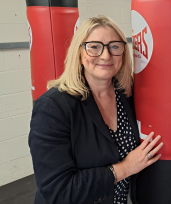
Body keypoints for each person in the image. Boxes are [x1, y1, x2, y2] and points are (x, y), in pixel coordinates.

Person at [29, 15, 163, 204]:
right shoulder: (53, 107)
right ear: (80, 53)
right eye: (94, 46)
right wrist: (125, 168)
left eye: (114, 46)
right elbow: (58, 190)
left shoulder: (125, 95)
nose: (106, 55)